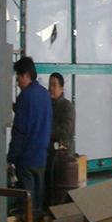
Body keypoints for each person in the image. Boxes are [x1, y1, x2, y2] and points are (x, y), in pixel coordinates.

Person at [7, 56, 51, 216]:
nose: (17, 82)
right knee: (38, 202)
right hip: (41, 156)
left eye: (18, 77)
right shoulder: (45, 94)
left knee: (27, 203)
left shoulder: (25, 96)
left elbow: (20, 131)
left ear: (26, 75)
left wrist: (11, 157)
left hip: (26, 158)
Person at [45, 73, 76, 207]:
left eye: (54, 85)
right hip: (48, 157)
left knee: (60, 196)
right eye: (49, 85)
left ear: (62, 88)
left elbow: (65, 132)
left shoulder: (67, 106)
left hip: (62, 159)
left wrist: (45, 133)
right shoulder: (47, 106)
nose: (51, 88)